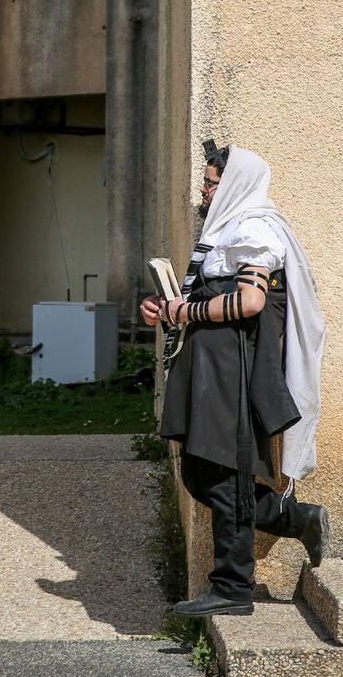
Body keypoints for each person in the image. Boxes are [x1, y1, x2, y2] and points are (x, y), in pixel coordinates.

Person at [141, 143, 329, 617]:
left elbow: (249, 302)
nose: (204, 191)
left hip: (233, 372)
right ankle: (297, 519)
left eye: (211, 183)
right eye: (205, 182)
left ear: (235, 184)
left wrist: (186, 310)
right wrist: (166, 310)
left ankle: (232, 588)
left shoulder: (254, 228)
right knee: (200, 473)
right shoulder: (229, 226)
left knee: (225, 475)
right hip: (210, 369)